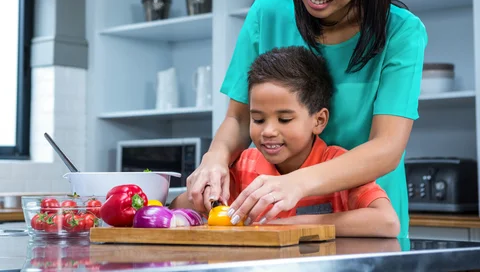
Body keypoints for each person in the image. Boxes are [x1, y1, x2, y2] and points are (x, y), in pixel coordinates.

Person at [185, 0, 427, 238]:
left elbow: (386, 147)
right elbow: (238, 119)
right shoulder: (265, 16)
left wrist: (296, 184)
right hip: (278, 222)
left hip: (362, 222)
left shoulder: (402, 32)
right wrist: (215, 158)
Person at [171, 46, 400, 237]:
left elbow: (387, 222)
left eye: (284, 119)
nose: (268, 131)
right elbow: (177, 208)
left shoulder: (337, 164)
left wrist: (289, 226)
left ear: (319, 120)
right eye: (258, 119)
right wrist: (202, 193)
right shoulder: (244, 167)